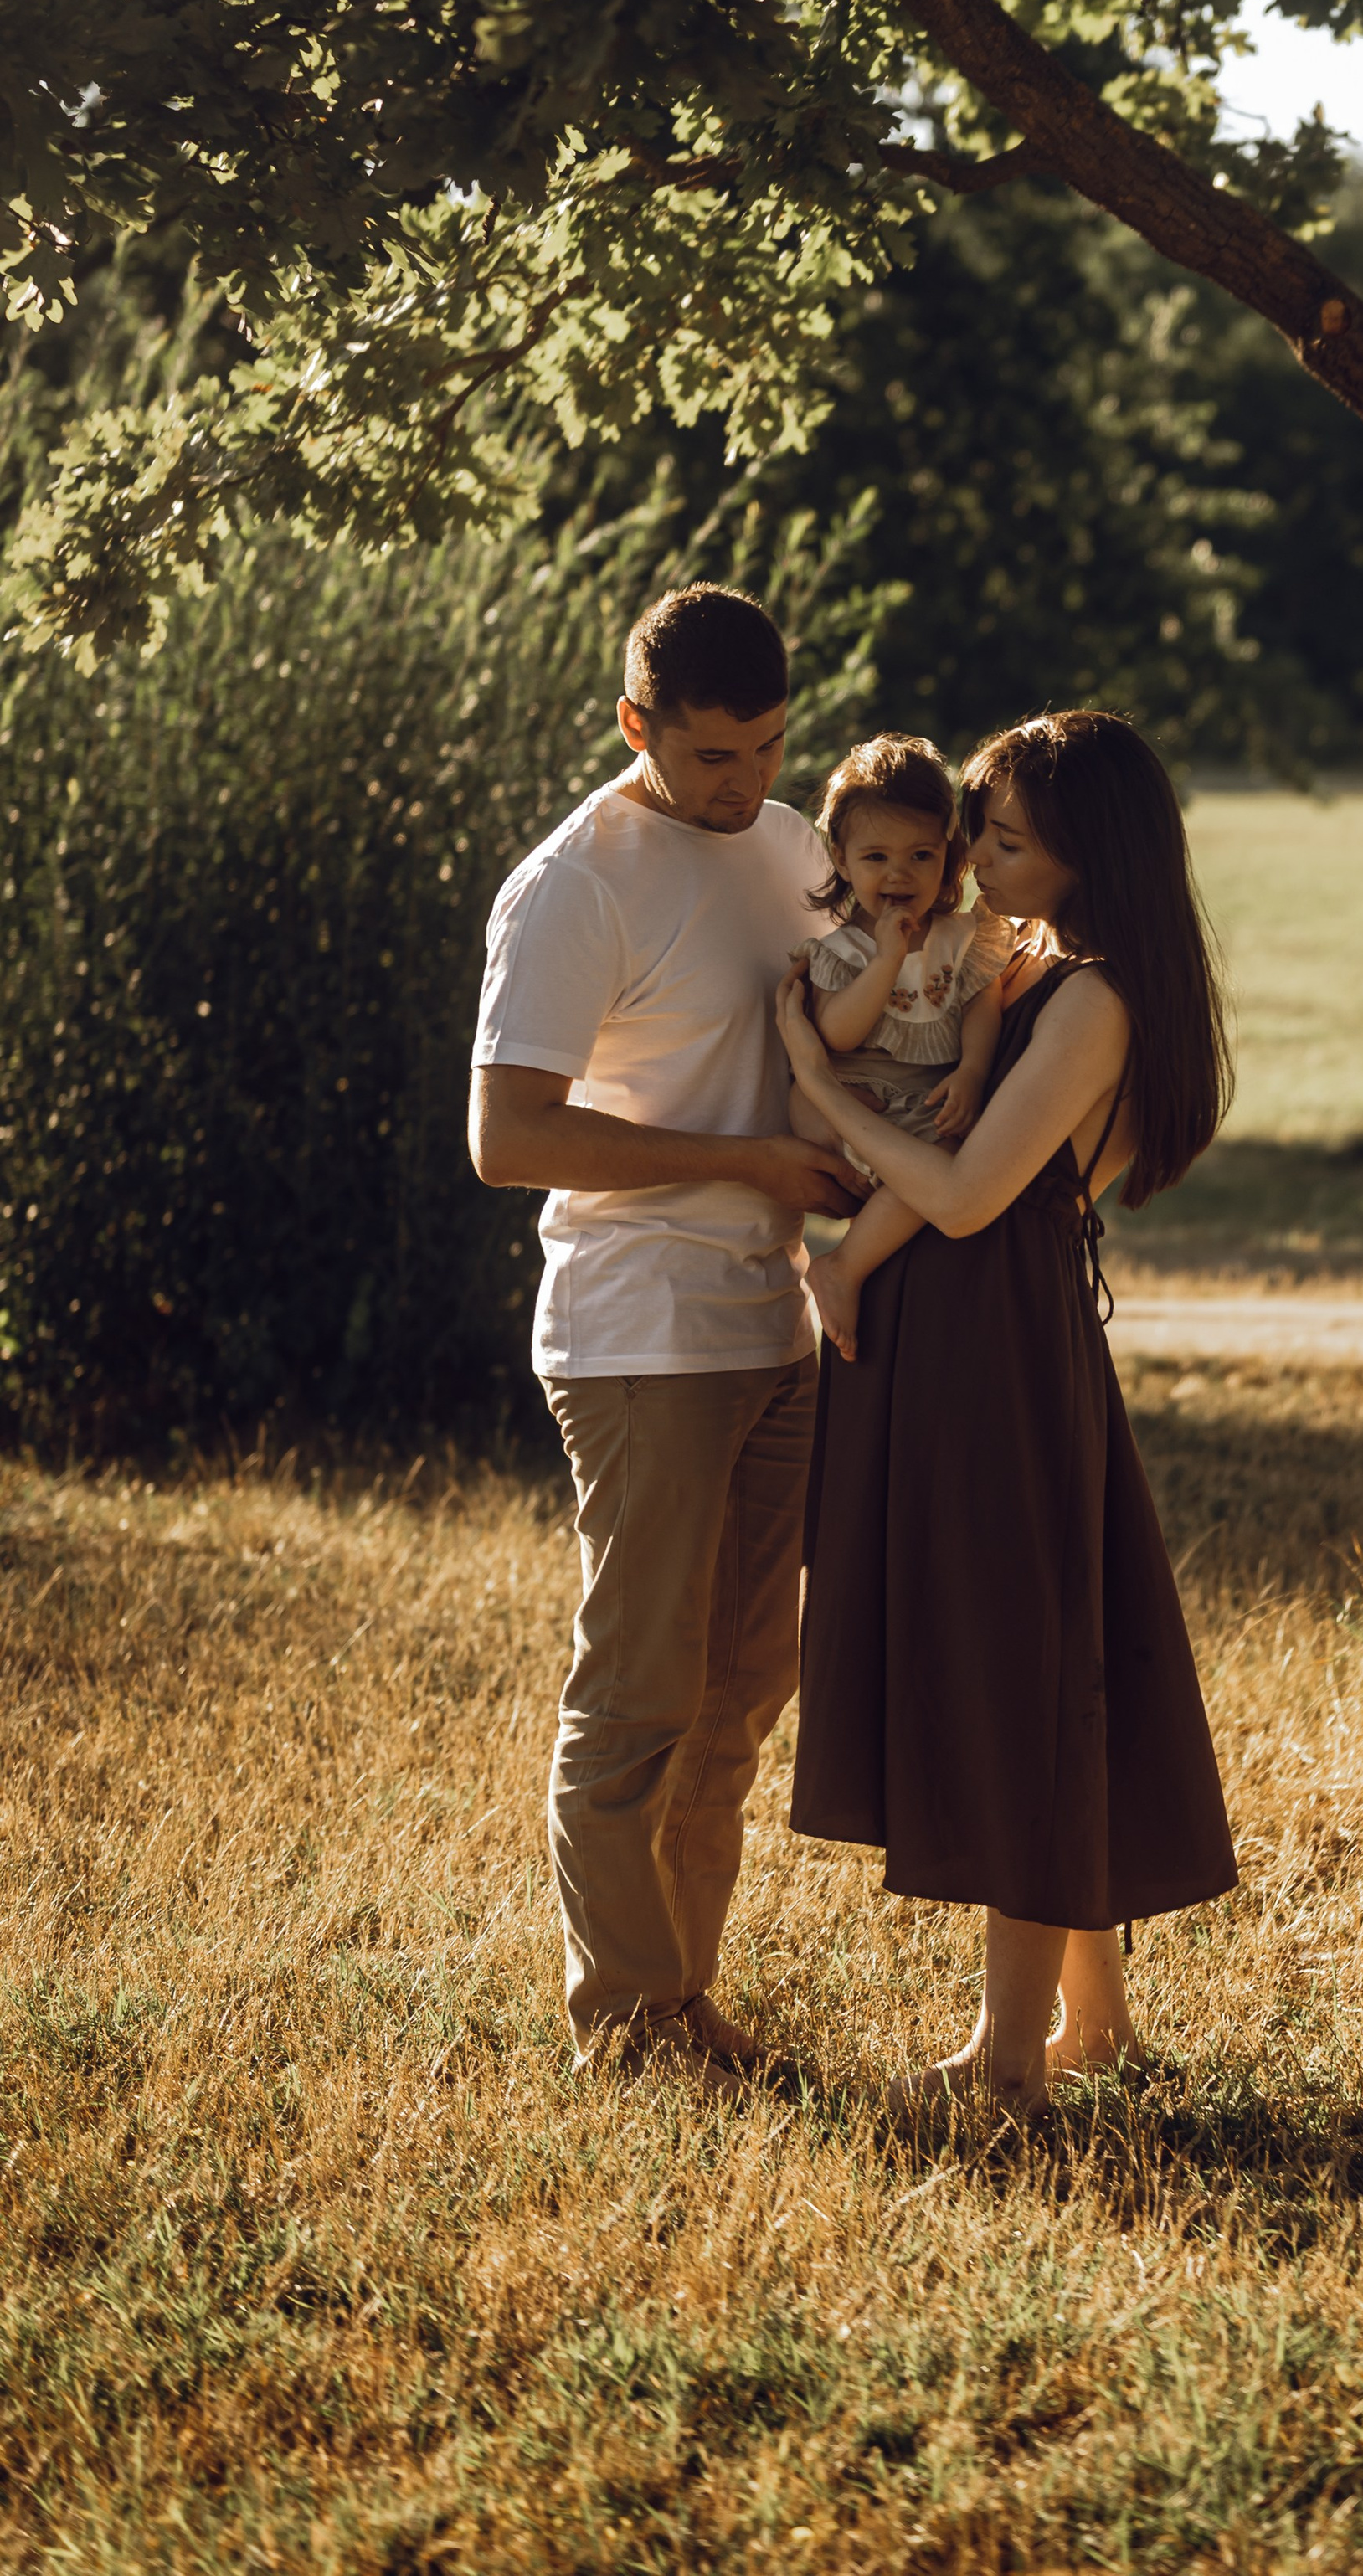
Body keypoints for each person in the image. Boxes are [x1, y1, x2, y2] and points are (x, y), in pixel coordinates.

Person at [776, 708, 1239, 2121]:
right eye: (977, 824)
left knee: (1020, 1671)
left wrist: (813, 1091)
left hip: (997, 1335)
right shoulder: (1031, 965)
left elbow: (971, 1189)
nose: (970, 855)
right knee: (1048, 1650)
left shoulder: (1093, 1000)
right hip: (957, 1318)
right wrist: (851, 1258)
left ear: (1089, 858)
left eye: (1006, 837)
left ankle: (1007, 2053)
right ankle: (1091, 2013)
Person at [467, 583, 864, 2083]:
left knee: (746, 1683)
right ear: (635, 724)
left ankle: (686, 2001)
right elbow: (506, 1136)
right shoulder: (575, 883)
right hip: (638, 1333)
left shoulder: (790, 844)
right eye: (709, 752)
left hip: (772, 1322)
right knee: (639, 1689)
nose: (743, 779)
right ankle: (628, 2021)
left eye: (766, 742)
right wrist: (748, 1164)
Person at [788, 733, 1012, 1365]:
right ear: (840, 857)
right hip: (861, 1097)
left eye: (921, 855)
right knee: (932, 1164)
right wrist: (888, 957)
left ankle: (854, 1264)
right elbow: (838, 1034)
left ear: (952, 854)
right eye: (876, 856)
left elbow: (979, 1005)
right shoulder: (841, 952)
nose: (898, 875)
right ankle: (844, 1268)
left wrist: (971, 1070)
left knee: (953, 1154)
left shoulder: (959, 937)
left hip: (928, 1097)